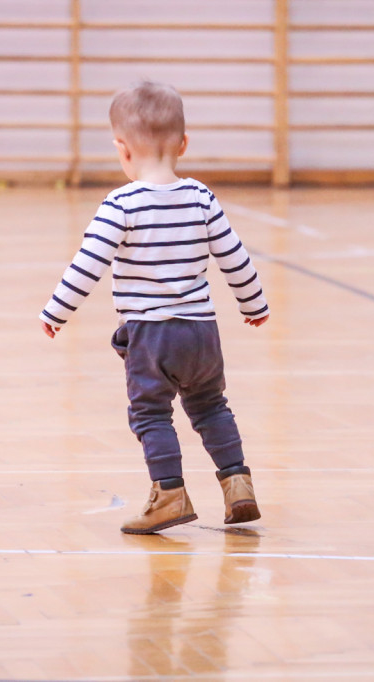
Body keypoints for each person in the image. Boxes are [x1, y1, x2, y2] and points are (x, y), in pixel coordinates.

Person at [39, 81, 269, 534]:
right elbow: (234, 257)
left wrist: (56, 312)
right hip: (202, 332)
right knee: (210, 406)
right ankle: (237, 483)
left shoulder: (120, 204)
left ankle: (169, 494)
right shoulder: (201, 197)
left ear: (122, 150)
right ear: (183, 144)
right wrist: (253, 302)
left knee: (150, 413)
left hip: (150, 335)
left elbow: (88, 265)